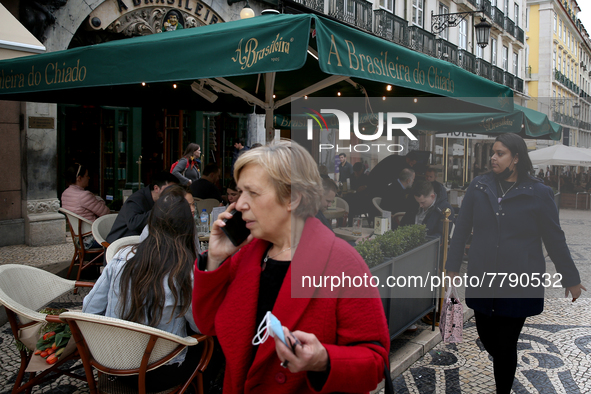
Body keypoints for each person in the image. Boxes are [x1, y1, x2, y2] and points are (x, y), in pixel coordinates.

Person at [192, 140, 390, 394]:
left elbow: (375, 362)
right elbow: (208, 324)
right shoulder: (247, 254)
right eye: (240, 192)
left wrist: (323, 360)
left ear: (292, 198)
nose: (239, 204)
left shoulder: (343, 264)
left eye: (252, 193)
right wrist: (215, 259)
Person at [446, 134, 586, 394]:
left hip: (520, 279)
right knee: (489, 337)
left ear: (517, 158)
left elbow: (554, 238)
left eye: (500, 153)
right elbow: (462, 228)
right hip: (483, 276)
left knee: (507, 342)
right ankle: (504, 364)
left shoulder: (539, 193)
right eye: (493, 152)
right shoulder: (479, 186)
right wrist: (452, 267)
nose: (493, 158)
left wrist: (571, 278)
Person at [83, 185, 200, 392]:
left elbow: (89, 309)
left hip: (113, 364)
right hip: (159, 370)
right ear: (187, 229)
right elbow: (199, 327)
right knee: (213, 347)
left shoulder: (122, 257)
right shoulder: (184, 273)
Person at [106, 172, 178, 244]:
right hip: (121, 244)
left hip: (144, 242)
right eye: (170, 189)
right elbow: (133, 224)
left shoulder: (160, 200)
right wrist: (160, 210)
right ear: (156, 188)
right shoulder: (137, 199)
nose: (173, 193)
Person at [61, 163, 111, 248]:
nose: (89, 178)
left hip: (78, 238)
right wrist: (99, 200)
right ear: (79, 178)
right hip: (92, 238)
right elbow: (106, 213)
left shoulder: (65, 193)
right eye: (86, 176)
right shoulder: (84, 196)